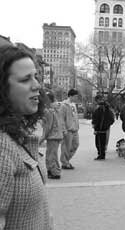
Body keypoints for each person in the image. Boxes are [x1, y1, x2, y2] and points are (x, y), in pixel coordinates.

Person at [0, 45, 52, 229]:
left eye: (36, 77)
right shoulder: (2, 146)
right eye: (25, 79)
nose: (37, 85)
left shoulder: (19, 135)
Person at [40, 92, 64, 179]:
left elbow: (48, 126)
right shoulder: (56, 109)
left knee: (51, 155)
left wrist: (42, 138)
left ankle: (55, 172)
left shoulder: (49, 111)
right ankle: (51, 170)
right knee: (51, 154)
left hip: (53, 136)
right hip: (56, 135)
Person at [60, 89, 79, 169]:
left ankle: (66, 160)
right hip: (68, 130)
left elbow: (75, 117)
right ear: (70, 96)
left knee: (75, 145)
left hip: (75, 129)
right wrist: (64, 130)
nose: (76, 98)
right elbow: (61, 118)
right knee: (66, 147)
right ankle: (65, 162)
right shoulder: (64, 105)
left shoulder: (73, 105)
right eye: (75, 96)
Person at [92, 95, 114, 160]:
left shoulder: (98, 110)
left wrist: (95, 127)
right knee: (102, 142)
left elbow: (95, 120)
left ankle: (101, 155)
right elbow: (112, 119)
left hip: (99, 129)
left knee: (98, 143)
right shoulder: (108, 110)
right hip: (104, 129)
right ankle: (102, 154)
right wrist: (107, 125)